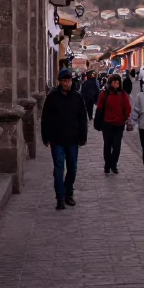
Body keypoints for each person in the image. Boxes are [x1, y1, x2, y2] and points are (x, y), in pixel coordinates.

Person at [41, 68, 89, 210]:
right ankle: (60, 198)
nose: (66, 83)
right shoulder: (52, 97)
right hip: (57, 139)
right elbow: (46, 119)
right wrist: (46, 137)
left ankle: (69, 193)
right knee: (58, 168)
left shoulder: (77, 97)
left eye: (68, 80)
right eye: (63, 80)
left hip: (73, 139)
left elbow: (82, 119)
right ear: (60, 82)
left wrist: (83, 136)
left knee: (72, 168)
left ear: (71, 81)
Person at [94, 74, 131, 174]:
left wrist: (127, 119)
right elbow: (99, 107)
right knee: (107, 145)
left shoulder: (123, 94)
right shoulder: (104, 93)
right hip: (107, 124)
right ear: (110, 83)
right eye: (114, 82)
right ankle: (107, 164)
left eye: (118, 82)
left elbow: (127, 108)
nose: (116, 84)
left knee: (116, 145)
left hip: (119, 124)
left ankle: (114, 164)